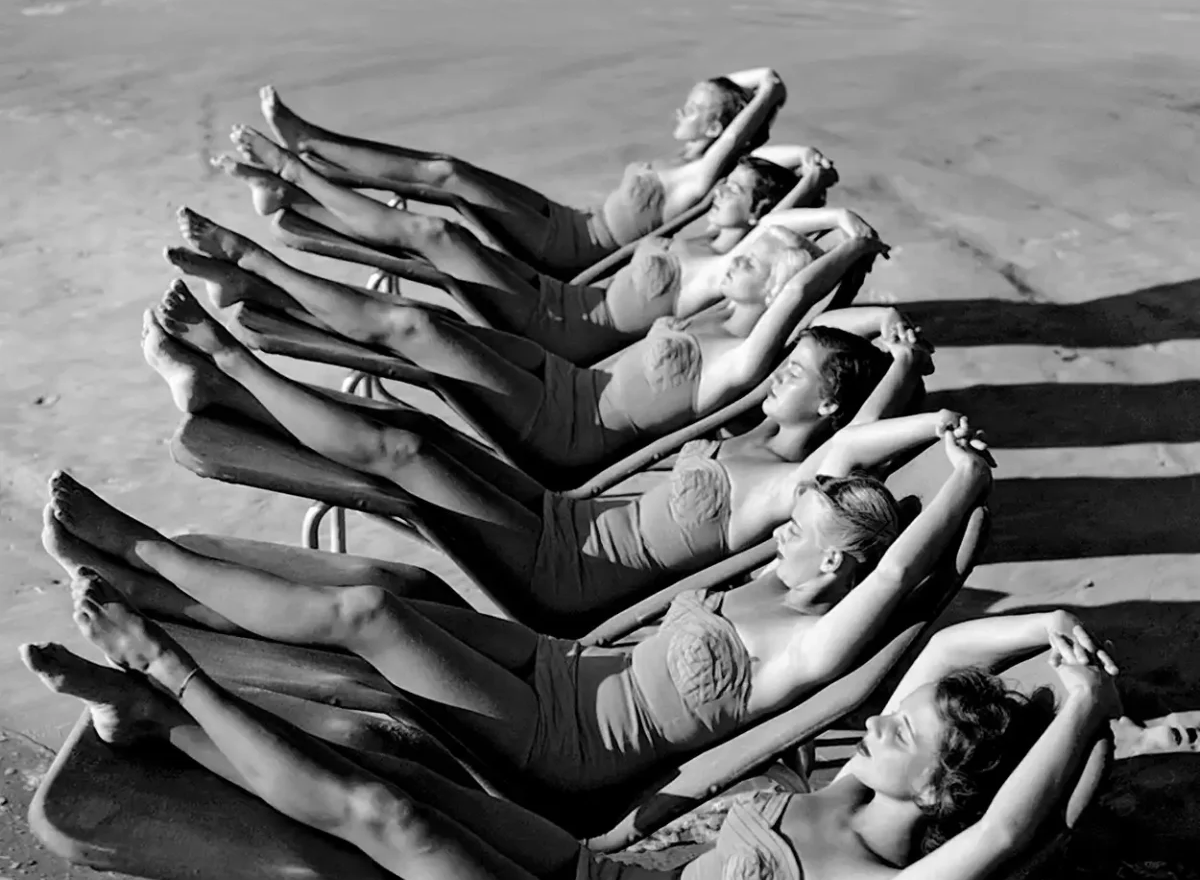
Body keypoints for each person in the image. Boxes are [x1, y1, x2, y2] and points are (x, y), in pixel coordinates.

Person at [25, 568, 1135, 880]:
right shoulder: (850, 792)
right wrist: (1045, 635)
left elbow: (1007, 832)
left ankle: (164, 672)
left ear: (939, 791)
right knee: (394, 761)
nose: (876, 724)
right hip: (592, 873)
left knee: (390, 818)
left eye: (902, 734)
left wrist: (1085, 715)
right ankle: (151, 718)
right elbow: (942, 647)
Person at [38, 422, 988, 803]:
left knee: (370, 616)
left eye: (799, 532)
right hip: (560, 665)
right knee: (400, 592)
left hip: (560, 744)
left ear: (840, 562)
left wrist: (965, 488)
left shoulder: (812, 646)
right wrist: (938, 438)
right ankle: (162, 587)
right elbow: (843, 457)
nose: (777, 534)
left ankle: (145, 559)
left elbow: (905, 573)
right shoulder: (786, 580)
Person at [148, 245, 926, 627]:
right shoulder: (753, 427)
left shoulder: (790, 487)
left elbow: (836, 388)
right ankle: (224, 388)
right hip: (563, 515)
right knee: (415, 427)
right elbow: (805, 319)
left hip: (570, 572)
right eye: (788, 365)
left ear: (832, 406)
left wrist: (905, 376)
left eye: (800, 375)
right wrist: (881, 329)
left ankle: (231, 360)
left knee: (405, 452)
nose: (780, 374)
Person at [150, 203, 886, 485]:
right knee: (417, 325)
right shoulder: (720, 311)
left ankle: (251, 276)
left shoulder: (744, 362)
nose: (740, 259)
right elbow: (772, 236)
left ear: (777, 292)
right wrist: (832, 219)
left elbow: (800, 293)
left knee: (415, 330)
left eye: (755, 265)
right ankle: (255, 289)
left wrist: (850, 252)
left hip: (568, 428)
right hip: (557, 377)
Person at [211, 149, 839, 365]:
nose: (721, 191)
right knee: (440, 220)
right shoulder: (705, 240)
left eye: (736, 192)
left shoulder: (719, 276)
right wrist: (807, 170)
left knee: (437, 236)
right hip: (559, 293)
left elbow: (781, 241)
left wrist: (834, 217)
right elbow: (757, 151)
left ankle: (294, 184)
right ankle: (295, 192)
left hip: (565, 328)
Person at [226, 70, 788, 277]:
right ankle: (306, 159)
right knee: (452, 168)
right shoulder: (688, 162)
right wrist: (758, 86)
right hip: (568, 219)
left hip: (572, 248)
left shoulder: (699, 179)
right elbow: (750, 85)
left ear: (720, 128)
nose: (679, 112)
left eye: (694, 109)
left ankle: (304, 157)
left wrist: (768, 93)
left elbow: (757, 101)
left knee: (445, 175)